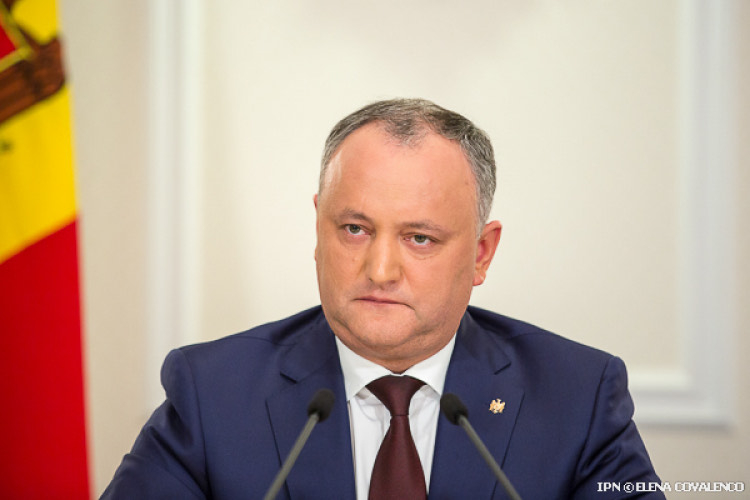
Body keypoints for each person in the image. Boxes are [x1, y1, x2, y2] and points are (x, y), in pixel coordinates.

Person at [102, 98, 664, 499]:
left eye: (419, 238)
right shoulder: (212, 393)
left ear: (481, 254)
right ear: (318, 228)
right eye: (354, 229)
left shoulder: (577, 397)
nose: (379, 270)